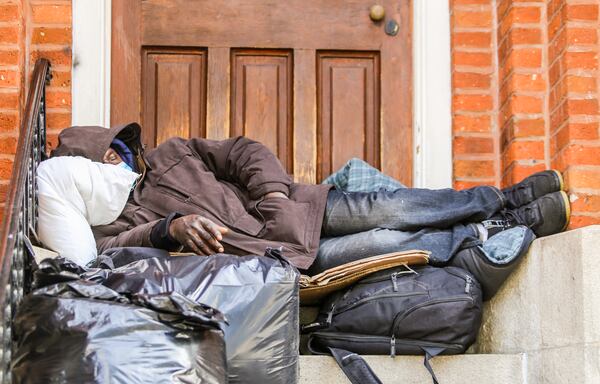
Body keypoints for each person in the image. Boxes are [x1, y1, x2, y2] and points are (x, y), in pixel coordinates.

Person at [52, 123, 570, 281]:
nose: (116, 164)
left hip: (302, 208)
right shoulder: (109, 234)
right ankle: (503, 225)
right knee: (389, 243)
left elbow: (243, 152)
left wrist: (273, 193)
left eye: (117, 155)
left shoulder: (170, 154)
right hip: (281, 263)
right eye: (105, 160)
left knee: (398, 206)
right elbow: (115, 254)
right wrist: (169, 229)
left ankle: (506, 196)